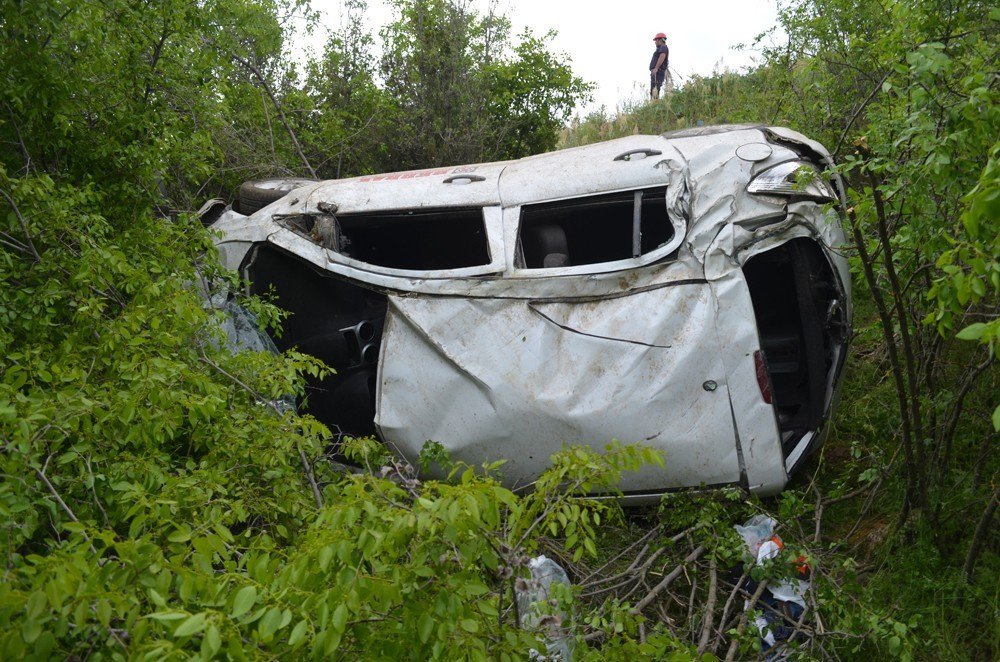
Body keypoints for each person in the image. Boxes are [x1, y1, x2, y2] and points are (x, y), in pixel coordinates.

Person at [649, 32, 670, 99]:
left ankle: (655, 104)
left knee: (655, 89)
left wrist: (656, 68)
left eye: (656, 40)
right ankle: (654, 103)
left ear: (660, 40)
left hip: (658, 72)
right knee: (654, 89)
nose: (655, 42)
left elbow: (662, 57)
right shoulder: (661, 48)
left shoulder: (663, 47)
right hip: (657, 71)